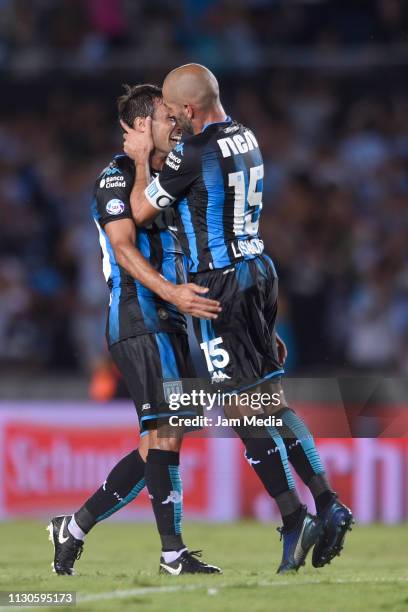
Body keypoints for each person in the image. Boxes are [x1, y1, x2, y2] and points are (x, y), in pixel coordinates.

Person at [122, 64, 354, 574]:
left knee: (242, 409)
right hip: (258, 272)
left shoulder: (193, 150)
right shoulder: (245, 134)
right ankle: (327, 502)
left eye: (172, 110)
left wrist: (142, 162)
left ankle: (298, 518)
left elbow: (138, 210)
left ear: (187, 110)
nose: (171, 121)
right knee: (268, 400)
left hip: (218, 284)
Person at [47, 84, 221, 576]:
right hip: (136, 313)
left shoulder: (170, 172)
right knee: (165, 432)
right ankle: (173, 556)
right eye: (168, 117)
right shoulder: (115, 175)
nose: (178, 124)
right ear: (143, 126)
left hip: (168, 316)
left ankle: (73, 527)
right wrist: (170, 293)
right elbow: (123, 247)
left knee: (161, 440)